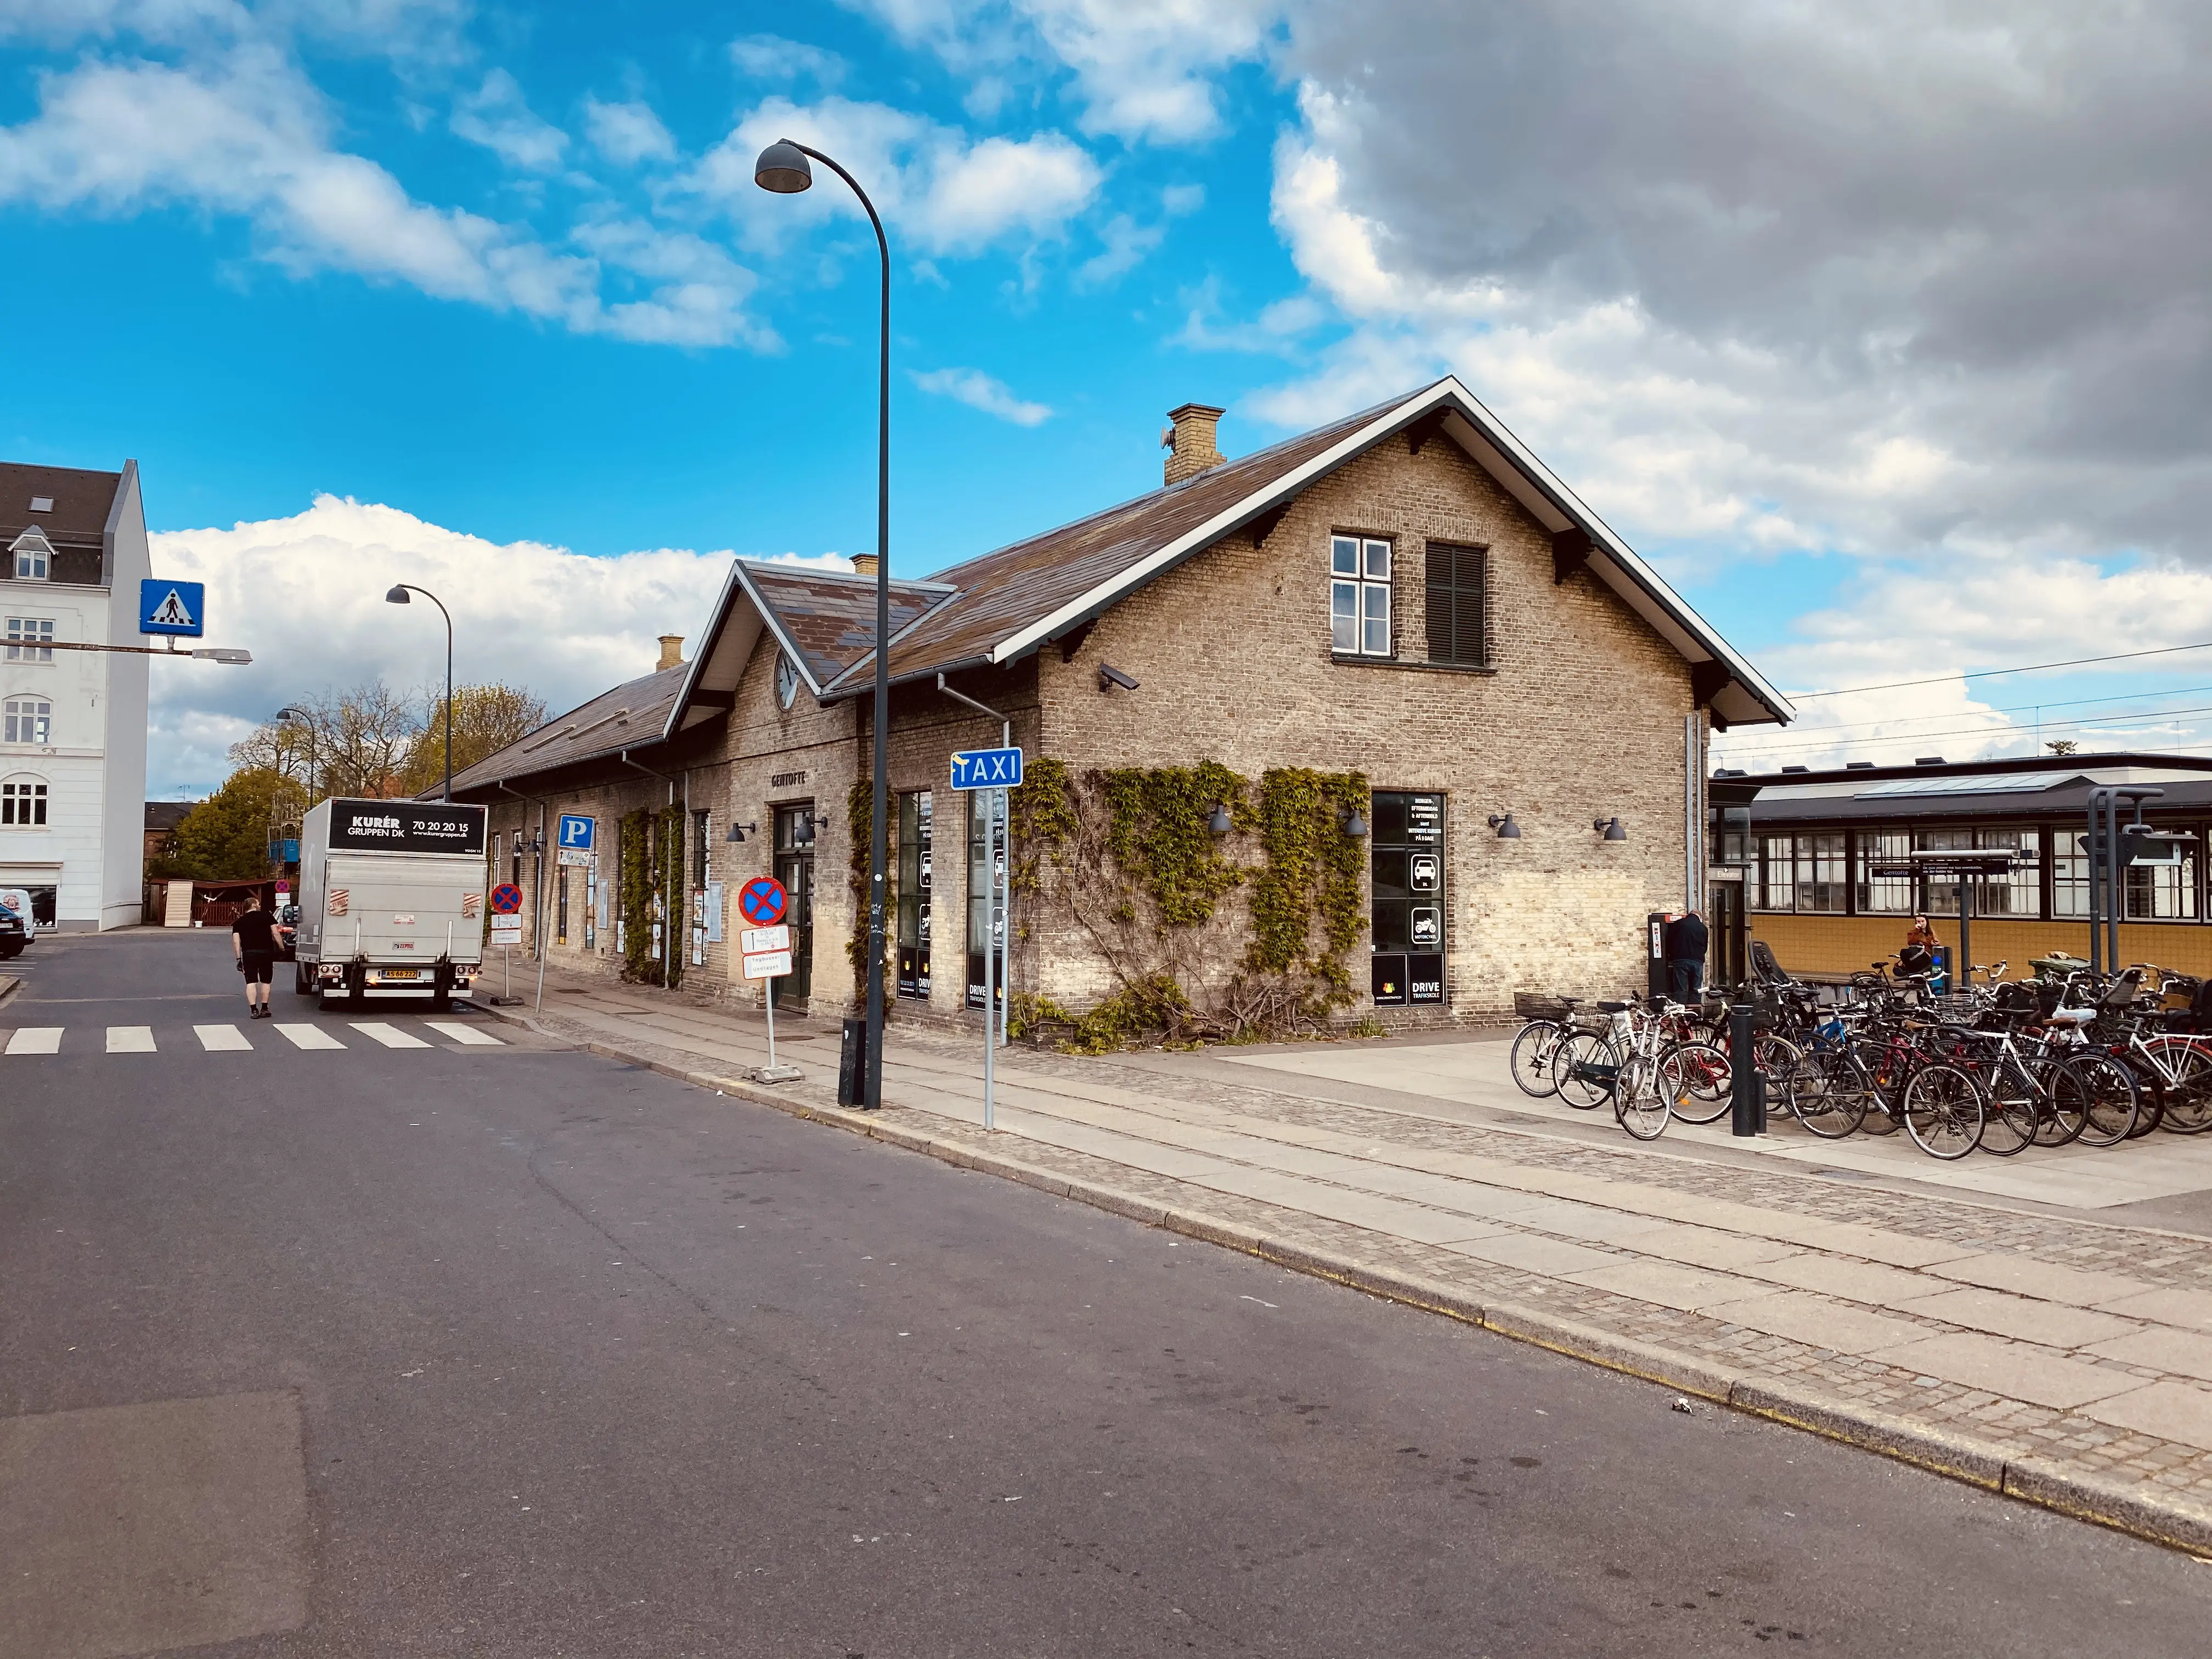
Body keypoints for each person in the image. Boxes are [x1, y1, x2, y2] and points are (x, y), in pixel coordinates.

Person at [232, 891, 280, 1018]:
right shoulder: (267, 916)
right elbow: (276, 933)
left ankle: (254, 1010)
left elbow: (237, 941)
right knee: (266, 981)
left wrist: (238, 958)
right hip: (266, 953)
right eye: (258, 903)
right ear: (253, 905)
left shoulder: (239, 922)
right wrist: (282, 948)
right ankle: (264, 1008)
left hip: (248, 954)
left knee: (251, 982)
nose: (259, 905)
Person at [1663, 909, 1708, 1006]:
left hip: (1681, 960)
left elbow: (1668, 940)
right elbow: (1705, 946)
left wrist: (1671, 955)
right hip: (1697, 961)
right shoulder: (1703, 928)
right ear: (1700, 918)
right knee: (1696, 990)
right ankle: (1695, 1014)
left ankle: (1681, 1014)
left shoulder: (1678, 924)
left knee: (1681, 990)